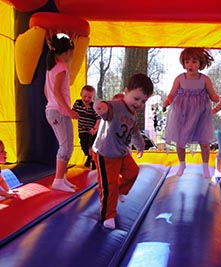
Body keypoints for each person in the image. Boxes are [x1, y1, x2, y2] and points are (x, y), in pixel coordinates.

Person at [92, 73, 154, 230]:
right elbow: (104, 107)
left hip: (121, 152)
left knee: (133, 171)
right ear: (126, 92)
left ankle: (120, 190)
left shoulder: (132, 114)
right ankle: (108, 215)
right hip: (106, 153)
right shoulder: (117, 105)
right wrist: (100, 106)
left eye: (143, 101)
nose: (139, 103)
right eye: (136, 98)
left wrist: (140, 144)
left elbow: (134, 132)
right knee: (108, 186)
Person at [163, 48, 219, 178]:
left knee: (204, 143)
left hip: (200, 114)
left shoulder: (205, 79)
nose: (190, 65)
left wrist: (215, 97)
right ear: (183, 64)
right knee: (180, 141)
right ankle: (182, 164)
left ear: (200, 63)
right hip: (183, 113)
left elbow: (212, 93)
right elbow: (172, 93)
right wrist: (167, 100)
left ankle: (205, 167)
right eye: (187, 61)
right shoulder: (180, 78)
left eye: (194, 62)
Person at [44, 34, 79, 193]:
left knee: (67, 146)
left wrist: (54, 104)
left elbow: (47, 91)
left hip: (52, 111)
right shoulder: (61, 69)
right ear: (64, 53)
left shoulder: (51, 68)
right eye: (71, 53)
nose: (71, 56)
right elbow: (57, 92)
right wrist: (68, 110)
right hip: (58, 112)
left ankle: (62, 178)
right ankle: (58, 180)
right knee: (65, 147)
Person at [72, 85, 101, 170]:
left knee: (90, 146)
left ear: (93, 97)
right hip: (82, 130)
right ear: (81, 94)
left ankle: (92, 161)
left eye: (89, 97)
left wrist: (95, 128)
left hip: (92, 130)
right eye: (85, 96)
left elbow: (99, 118)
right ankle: (89, 157)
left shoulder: (93, 106)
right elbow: (72, 112)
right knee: (84, 146)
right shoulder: (78, 103)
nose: (87, 99)